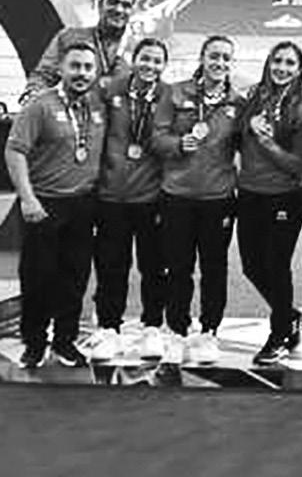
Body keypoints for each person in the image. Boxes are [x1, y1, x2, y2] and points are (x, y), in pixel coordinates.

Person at [5, 43, 106, 369]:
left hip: (84, 204)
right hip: (44, 203)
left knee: (75, 276)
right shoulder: (40, 105)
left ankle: (65, 341)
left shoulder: (97, 105)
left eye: (88, 67)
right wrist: (27, 198)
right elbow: (14, 151)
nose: (82, 73)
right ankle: (34, 343)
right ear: (61, 68)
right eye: (75, 66)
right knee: (38, 276)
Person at [152, 35, 245, 366]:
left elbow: (248, 145)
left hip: (218, 199)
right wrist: (177, 144)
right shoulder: (175, 93)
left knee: (214, 267)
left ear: (231, 64)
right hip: (176, 196)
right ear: (202, 58)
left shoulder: (239, 102)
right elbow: (156, 137)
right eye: (214, 56)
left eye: (225, 58)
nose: (219, 62)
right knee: (177, 267)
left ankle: (209, 331)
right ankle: (177, 330)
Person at [87, 39, 171, 363]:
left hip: (151, 197)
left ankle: (152, 327)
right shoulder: (110, 89)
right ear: (134, 60)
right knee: (112, 265)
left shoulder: (169, 95)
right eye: (145, 58)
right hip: (111, 195)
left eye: (157, 61)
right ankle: (109, 328)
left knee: (154, 266)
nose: (150, 66)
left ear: (164, 66)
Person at [236, 42, 302, 365]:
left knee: (276, 265)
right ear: (268, 63)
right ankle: (290, 314)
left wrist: (265, 140)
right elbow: (235, 136)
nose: (282, 68)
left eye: (290, 63)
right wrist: (248, 126)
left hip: (285, 197)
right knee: (251, 266)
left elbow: (298, 166)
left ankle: (280, 333)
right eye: (277, 61)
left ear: (299, 70)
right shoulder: (251, 98)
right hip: (249, 193)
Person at [23, 0, 137, 105]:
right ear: (99, 5)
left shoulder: (141, 50)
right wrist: (33, 97)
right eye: (113, 2)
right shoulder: (69, 38)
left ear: (132, 11)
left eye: (126, 5)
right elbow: (43, 77)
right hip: (73, 112)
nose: (119, 10)